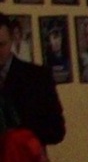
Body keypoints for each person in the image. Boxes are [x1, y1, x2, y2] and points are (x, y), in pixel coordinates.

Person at [0, 19, 66, 149]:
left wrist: (22, 135)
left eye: (1, 44)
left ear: (12, 40)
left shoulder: (37, 77)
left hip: (26, 158)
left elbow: (57, 130)